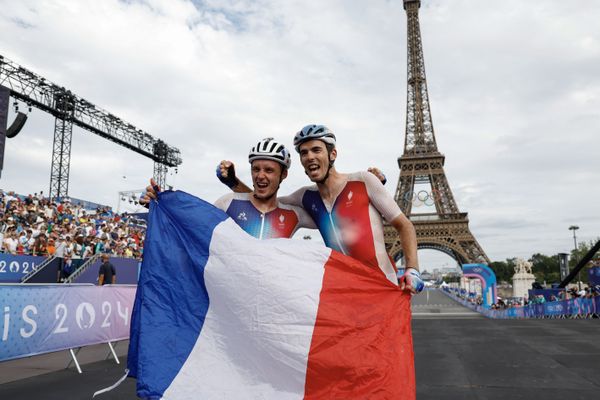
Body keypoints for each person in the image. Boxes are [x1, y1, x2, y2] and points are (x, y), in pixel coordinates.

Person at [223, 125, 421, 291]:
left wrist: (412, 269)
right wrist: (234, 183)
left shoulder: (364, 181)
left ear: (332, 153)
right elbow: (264, 200)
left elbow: (404, 225)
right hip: (346, 293)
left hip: (381, 286)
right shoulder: (305, 197)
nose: (309, 156)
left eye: (316, 150)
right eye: (304, 152)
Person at [143, 138, 315, 240]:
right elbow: (192, 226)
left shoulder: (294, 215)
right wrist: (160, 206)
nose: (261, 176)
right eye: (256, 169)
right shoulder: (229, 203)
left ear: (283, 174)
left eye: (269, 170)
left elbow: (337, 227)